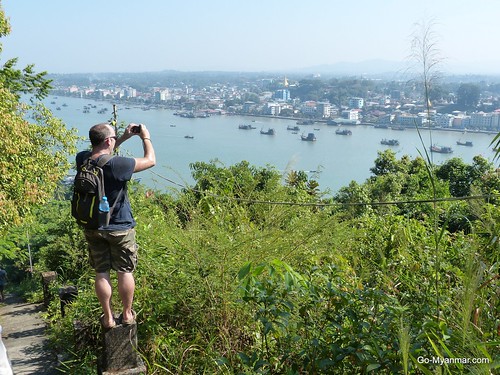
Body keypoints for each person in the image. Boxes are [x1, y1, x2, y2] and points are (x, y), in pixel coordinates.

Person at [76, 122, 155, 329]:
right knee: (124, 270)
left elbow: (102, 154)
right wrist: (144, 137)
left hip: (93, 226)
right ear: (109, 141)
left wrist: (122, 138)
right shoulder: (117, 165)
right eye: (113, 138)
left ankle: (108, 317)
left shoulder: (82, 159)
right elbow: (150, 161)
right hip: (120, 226)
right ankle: (127, 314)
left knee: (101, 272)